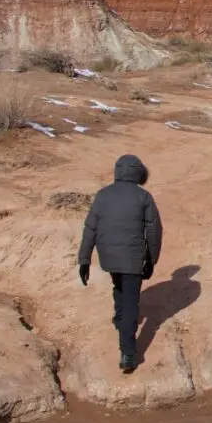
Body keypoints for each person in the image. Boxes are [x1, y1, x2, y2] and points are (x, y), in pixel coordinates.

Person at [77, 154, 163, 373]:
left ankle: (119, 319)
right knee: (131, 302)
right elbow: (154, 230)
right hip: (133, 255)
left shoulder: (103, 195)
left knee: (119, 285)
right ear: (138, 173)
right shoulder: (143, 196)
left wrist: (84, 259)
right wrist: (152, 259)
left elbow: (90, 228)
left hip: (108, 256)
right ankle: (128, 352)